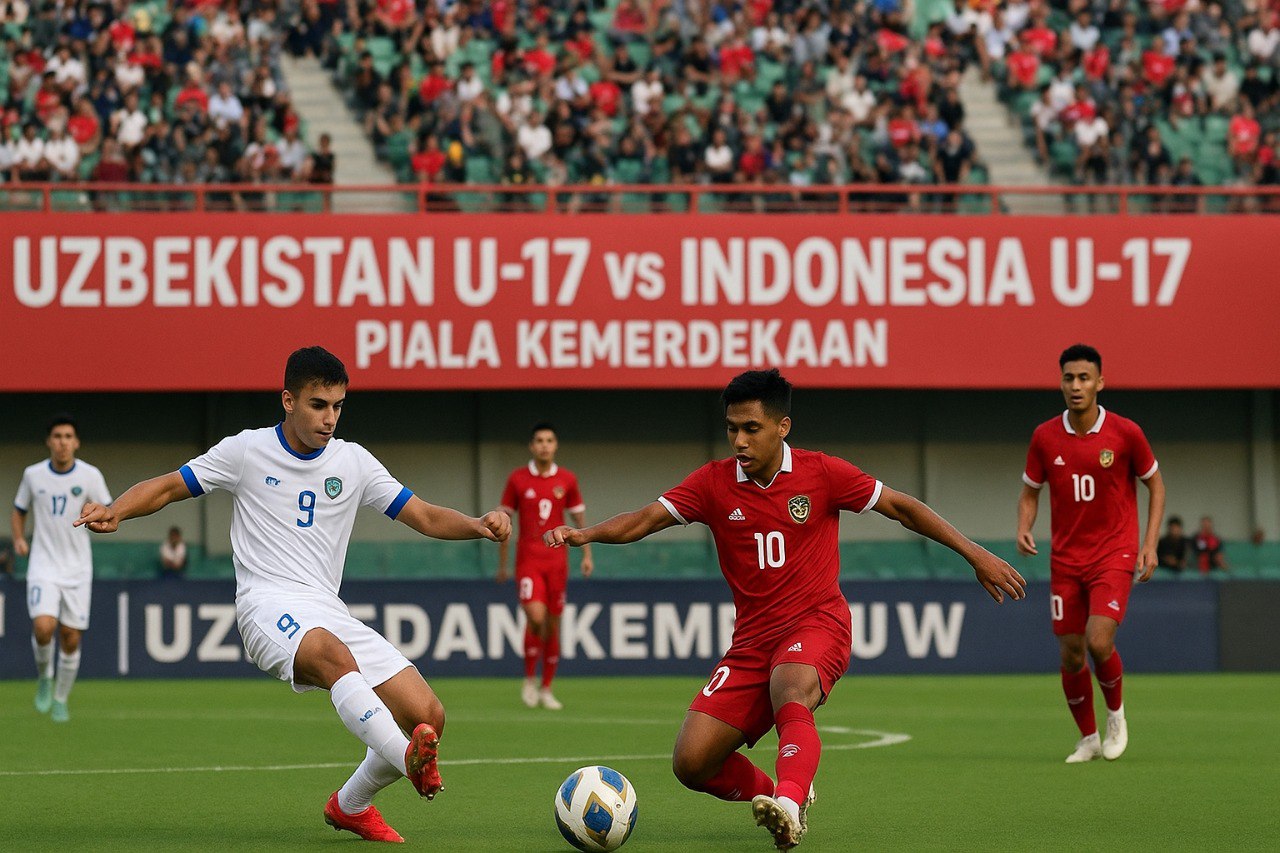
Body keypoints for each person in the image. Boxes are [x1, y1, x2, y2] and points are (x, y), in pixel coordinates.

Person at [544, 369, 1026, 849]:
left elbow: (901, 507)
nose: (738, 440)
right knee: (691, 763)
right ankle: (780, 793)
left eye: (751, 428)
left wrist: (976, 554)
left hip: (819, 622)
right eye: (732, 428)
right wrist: (585, 534)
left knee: (790, 686)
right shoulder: (713, 483)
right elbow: (645, 520)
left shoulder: (823, 473)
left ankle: (791, 805)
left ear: (782, 427)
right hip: (751, 642)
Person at [75, 347, 511, 843]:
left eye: (338, 406)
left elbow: (427, 516)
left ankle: (350, 805)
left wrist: (478, 524)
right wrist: (117, 509)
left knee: (427, 716)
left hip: (327, 608)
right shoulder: (246, 451)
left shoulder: (354, 462)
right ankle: (409, 763)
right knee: (333, 656)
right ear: (288, 400)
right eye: (318, 404)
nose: (330, 418)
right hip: (265, 605)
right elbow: (170, 487)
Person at [1017, 344, 1165, 764]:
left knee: (1099, 640)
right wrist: (1024, 526)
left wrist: (1149, 543)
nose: (1076, 385)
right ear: (1061, 383)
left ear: (1100, 382)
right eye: (1069, 378)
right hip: (1065, 559)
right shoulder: (1045, 436)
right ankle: (1088, 737)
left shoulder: (1125, 433)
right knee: (1070, 651)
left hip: (1113, 553)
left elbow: (1156, 484)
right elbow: (1030, 492)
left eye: (1084, 378)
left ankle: (1116, 715)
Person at [10, 415, 112, 723]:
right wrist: (18, 538)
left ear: (76, 442)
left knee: (70, 637)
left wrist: (98, 520)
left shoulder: (90, 475)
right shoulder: (33, 475)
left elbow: (107, 510)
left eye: (68, 436)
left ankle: (60, 699)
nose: (62, 441)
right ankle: (44, 677)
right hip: (43, 564)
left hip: (78, 568)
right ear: (49, 441)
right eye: (57, 436)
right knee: (43, 626)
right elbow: (19, 510)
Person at [496, 423, 592, 710]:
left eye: (549, 440)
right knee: (536, 618)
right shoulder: (517, 479)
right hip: (528, 560)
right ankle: (528, 679)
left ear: (555, 445)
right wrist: (503, 565)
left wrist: (587, 555)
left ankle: (547, 687)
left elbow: (579, 522)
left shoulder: (567, 479)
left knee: (553, 625)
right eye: (539, 440)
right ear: (531, 446)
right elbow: (504, 523)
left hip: (557, 562)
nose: (544, 445)